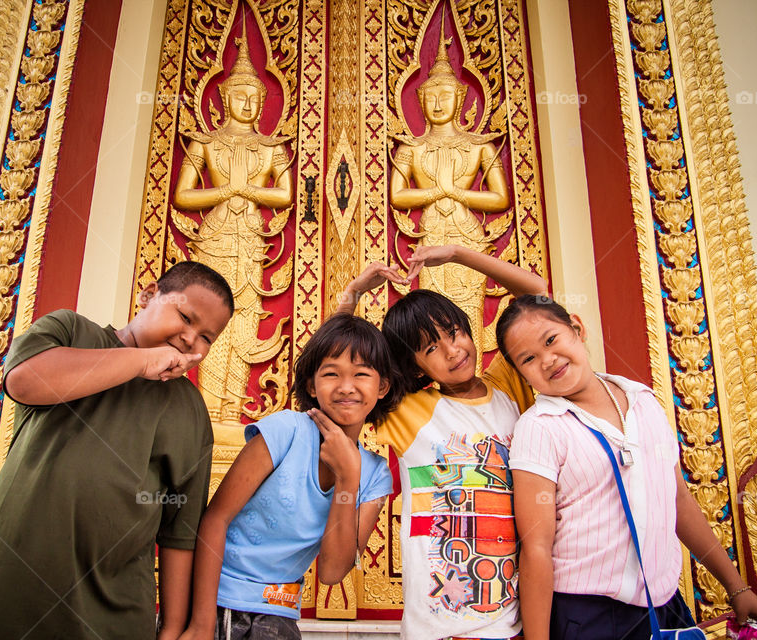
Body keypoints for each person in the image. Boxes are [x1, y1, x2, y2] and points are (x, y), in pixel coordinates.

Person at [0, 261, 233, 640]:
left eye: (207, 337)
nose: (190, 339)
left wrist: (173, 628)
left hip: (114, 620)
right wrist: (143, 361)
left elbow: (179, 532)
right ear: (149, 296)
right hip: (5, 605)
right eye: (184, 317)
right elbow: (24, 381)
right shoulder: (71, 332)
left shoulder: (189, 410)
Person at [496, 294, 757, 640]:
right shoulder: (539, 428)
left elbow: (678, 500)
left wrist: (736, 587)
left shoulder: (643, 401)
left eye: (551, 339)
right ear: (521, 374)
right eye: (528, 359)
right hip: (589, 616)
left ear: (577, 328)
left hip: (665, 605)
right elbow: (536, 547)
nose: (548, 360)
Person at [338, 244, 547, 640]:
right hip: (435, 630)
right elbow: (332, 366)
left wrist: (457, 254)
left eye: (454, 333)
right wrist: (354, 292)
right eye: (431, 348)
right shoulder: (408, 410)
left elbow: (536, 295)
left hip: (508, 627)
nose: (453, 351)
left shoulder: (508, 386)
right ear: (414, 367)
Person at [178, 314, 401, 640]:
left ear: (382, 387)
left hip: (277, 610)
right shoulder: (285, 430)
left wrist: (348, 479)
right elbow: (216, 518)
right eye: (331, 373)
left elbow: (332, 571)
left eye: (361, 374)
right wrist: (201, 623)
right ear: (311, 385)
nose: (346, 387)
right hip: (215, 599)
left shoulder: (376, 474)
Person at [172, 36, 293, 425]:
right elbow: (183, 195)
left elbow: (286, 194)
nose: (247, 103)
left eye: (254, 97)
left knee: (243, 321)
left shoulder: (271, 147)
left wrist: (246, 190)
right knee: (210, 319)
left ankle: (230, 414)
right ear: (224, 98)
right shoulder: (206, 144)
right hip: (216, 238)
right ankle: (205, 414)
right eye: (239, 95)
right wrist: (229, 190)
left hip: (252, 241)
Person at [389, 34, 511, 355]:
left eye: (445, 95)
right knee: (435, 316)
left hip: (467, 235)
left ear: (460, 98)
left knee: (468, 311)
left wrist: (455, 191)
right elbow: (398, 195)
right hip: (430, 235)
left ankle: (476, 376)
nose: (438, 104)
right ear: (420, 100)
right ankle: (440, 378)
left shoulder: (478, 146)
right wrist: (436, 191)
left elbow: (500, 198)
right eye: (431, 96)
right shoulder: (412, 148)